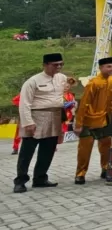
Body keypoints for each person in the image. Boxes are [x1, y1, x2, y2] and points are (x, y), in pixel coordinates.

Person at [13, 53, 67, 194]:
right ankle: (20, 181)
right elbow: (24, 104)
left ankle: (40, 178)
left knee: (48, 150)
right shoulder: (33, 81)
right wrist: (28, 122)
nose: (59, 67)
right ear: (45, 65)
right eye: (55, 64)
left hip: (54, 116)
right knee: (27, 151)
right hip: (36, 117)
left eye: (61, 64)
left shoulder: (62, 78)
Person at [74, 57, 112, 185]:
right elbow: (84, 104)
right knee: (84, 149)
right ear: (100, 68)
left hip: (106, 119)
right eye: (108, 67)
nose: (111, 69)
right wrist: (79, 123)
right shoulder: (93, 83)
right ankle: (80, 173)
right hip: (89, 120)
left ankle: (105, 168)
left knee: (106, 146)